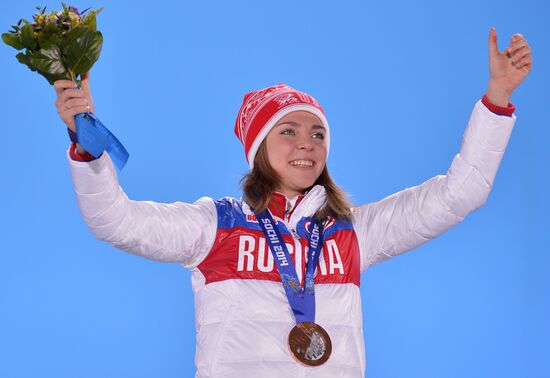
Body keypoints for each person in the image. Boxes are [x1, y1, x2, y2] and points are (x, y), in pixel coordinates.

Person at [54, 28, 532, 377]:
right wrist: (87, 147)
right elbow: (114, 221)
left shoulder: (352, 232)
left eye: (318, 133)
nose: (307, 143)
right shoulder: (215, 226)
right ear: (260, 147)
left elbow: (460, 193)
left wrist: (497, 99)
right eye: (288, 131)